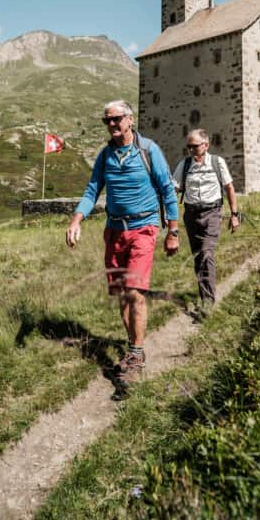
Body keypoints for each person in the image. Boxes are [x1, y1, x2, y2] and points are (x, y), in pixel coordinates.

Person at [65, 100, 179, 383]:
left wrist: (173, 232)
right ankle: (132, 346)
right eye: (107, 121)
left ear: (130, 119)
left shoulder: (149, 151)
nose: (112, 124)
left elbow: (167, 190)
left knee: (134, 292)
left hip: (144, 228)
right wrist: (76, 220)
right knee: (121, 294)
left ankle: (136, 355)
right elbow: (92, 190)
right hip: (114, 232)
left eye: (116, 119)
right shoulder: (105, 156)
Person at [172, 128, 239, 317]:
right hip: (191, 215)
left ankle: (207, 303)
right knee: (197, 257)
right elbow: (174, 189)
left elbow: (229, 188)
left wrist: (234, 215)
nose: (191, 150)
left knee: (206, 253)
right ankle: (204, 294)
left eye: (194, 146)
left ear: (206, 145)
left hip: (213, 213)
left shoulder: (217, 163)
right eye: (188, 147)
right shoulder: (184, 165)